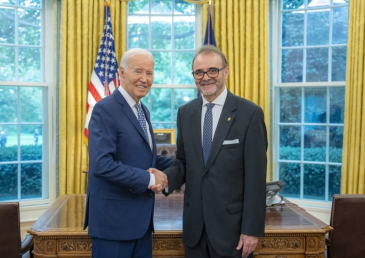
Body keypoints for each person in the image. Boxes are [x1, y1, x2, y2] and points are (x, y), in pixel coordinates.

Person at [163, 45, 268, 258]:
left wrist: (251, 229)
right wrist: (163, 179)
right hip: (195, 230)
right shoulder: (185, 113)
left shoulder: (250, 114)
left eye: (213, 70)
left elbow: (256, 178)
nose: (206, 77)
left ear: (225, 72)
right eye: (199, 72)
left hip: (232, 231)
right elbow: (183, 163)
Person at [84, 48, 174, 258]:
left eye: (149, 73)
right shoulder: (105, 109)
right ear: (121, 73)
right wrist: (150, 178)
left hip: (141, 224)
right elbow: (102, 165)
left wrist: (182, 164)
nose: (145, 79)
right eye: (138, 71)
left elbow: (146, 157)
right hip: (113, 225)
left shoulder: (142, 110)